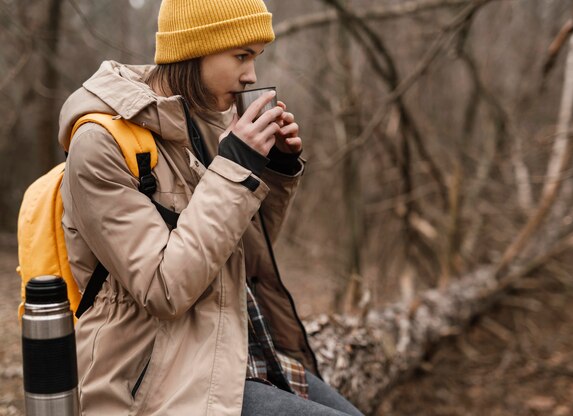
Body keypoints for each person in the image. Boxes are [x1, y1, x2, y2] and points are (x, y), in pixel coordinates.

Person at [58, 0, 363, 415]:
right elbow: (164, 289)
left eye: (256, 58)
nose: (251, 75)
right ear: (193, 49)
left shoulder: (208, 120)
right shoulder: (99, 144)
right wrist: (236, 169)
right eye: (241, 56)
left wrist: (273, 169)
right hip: (161, 374)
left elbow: (238, 256)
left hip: (242, 346)